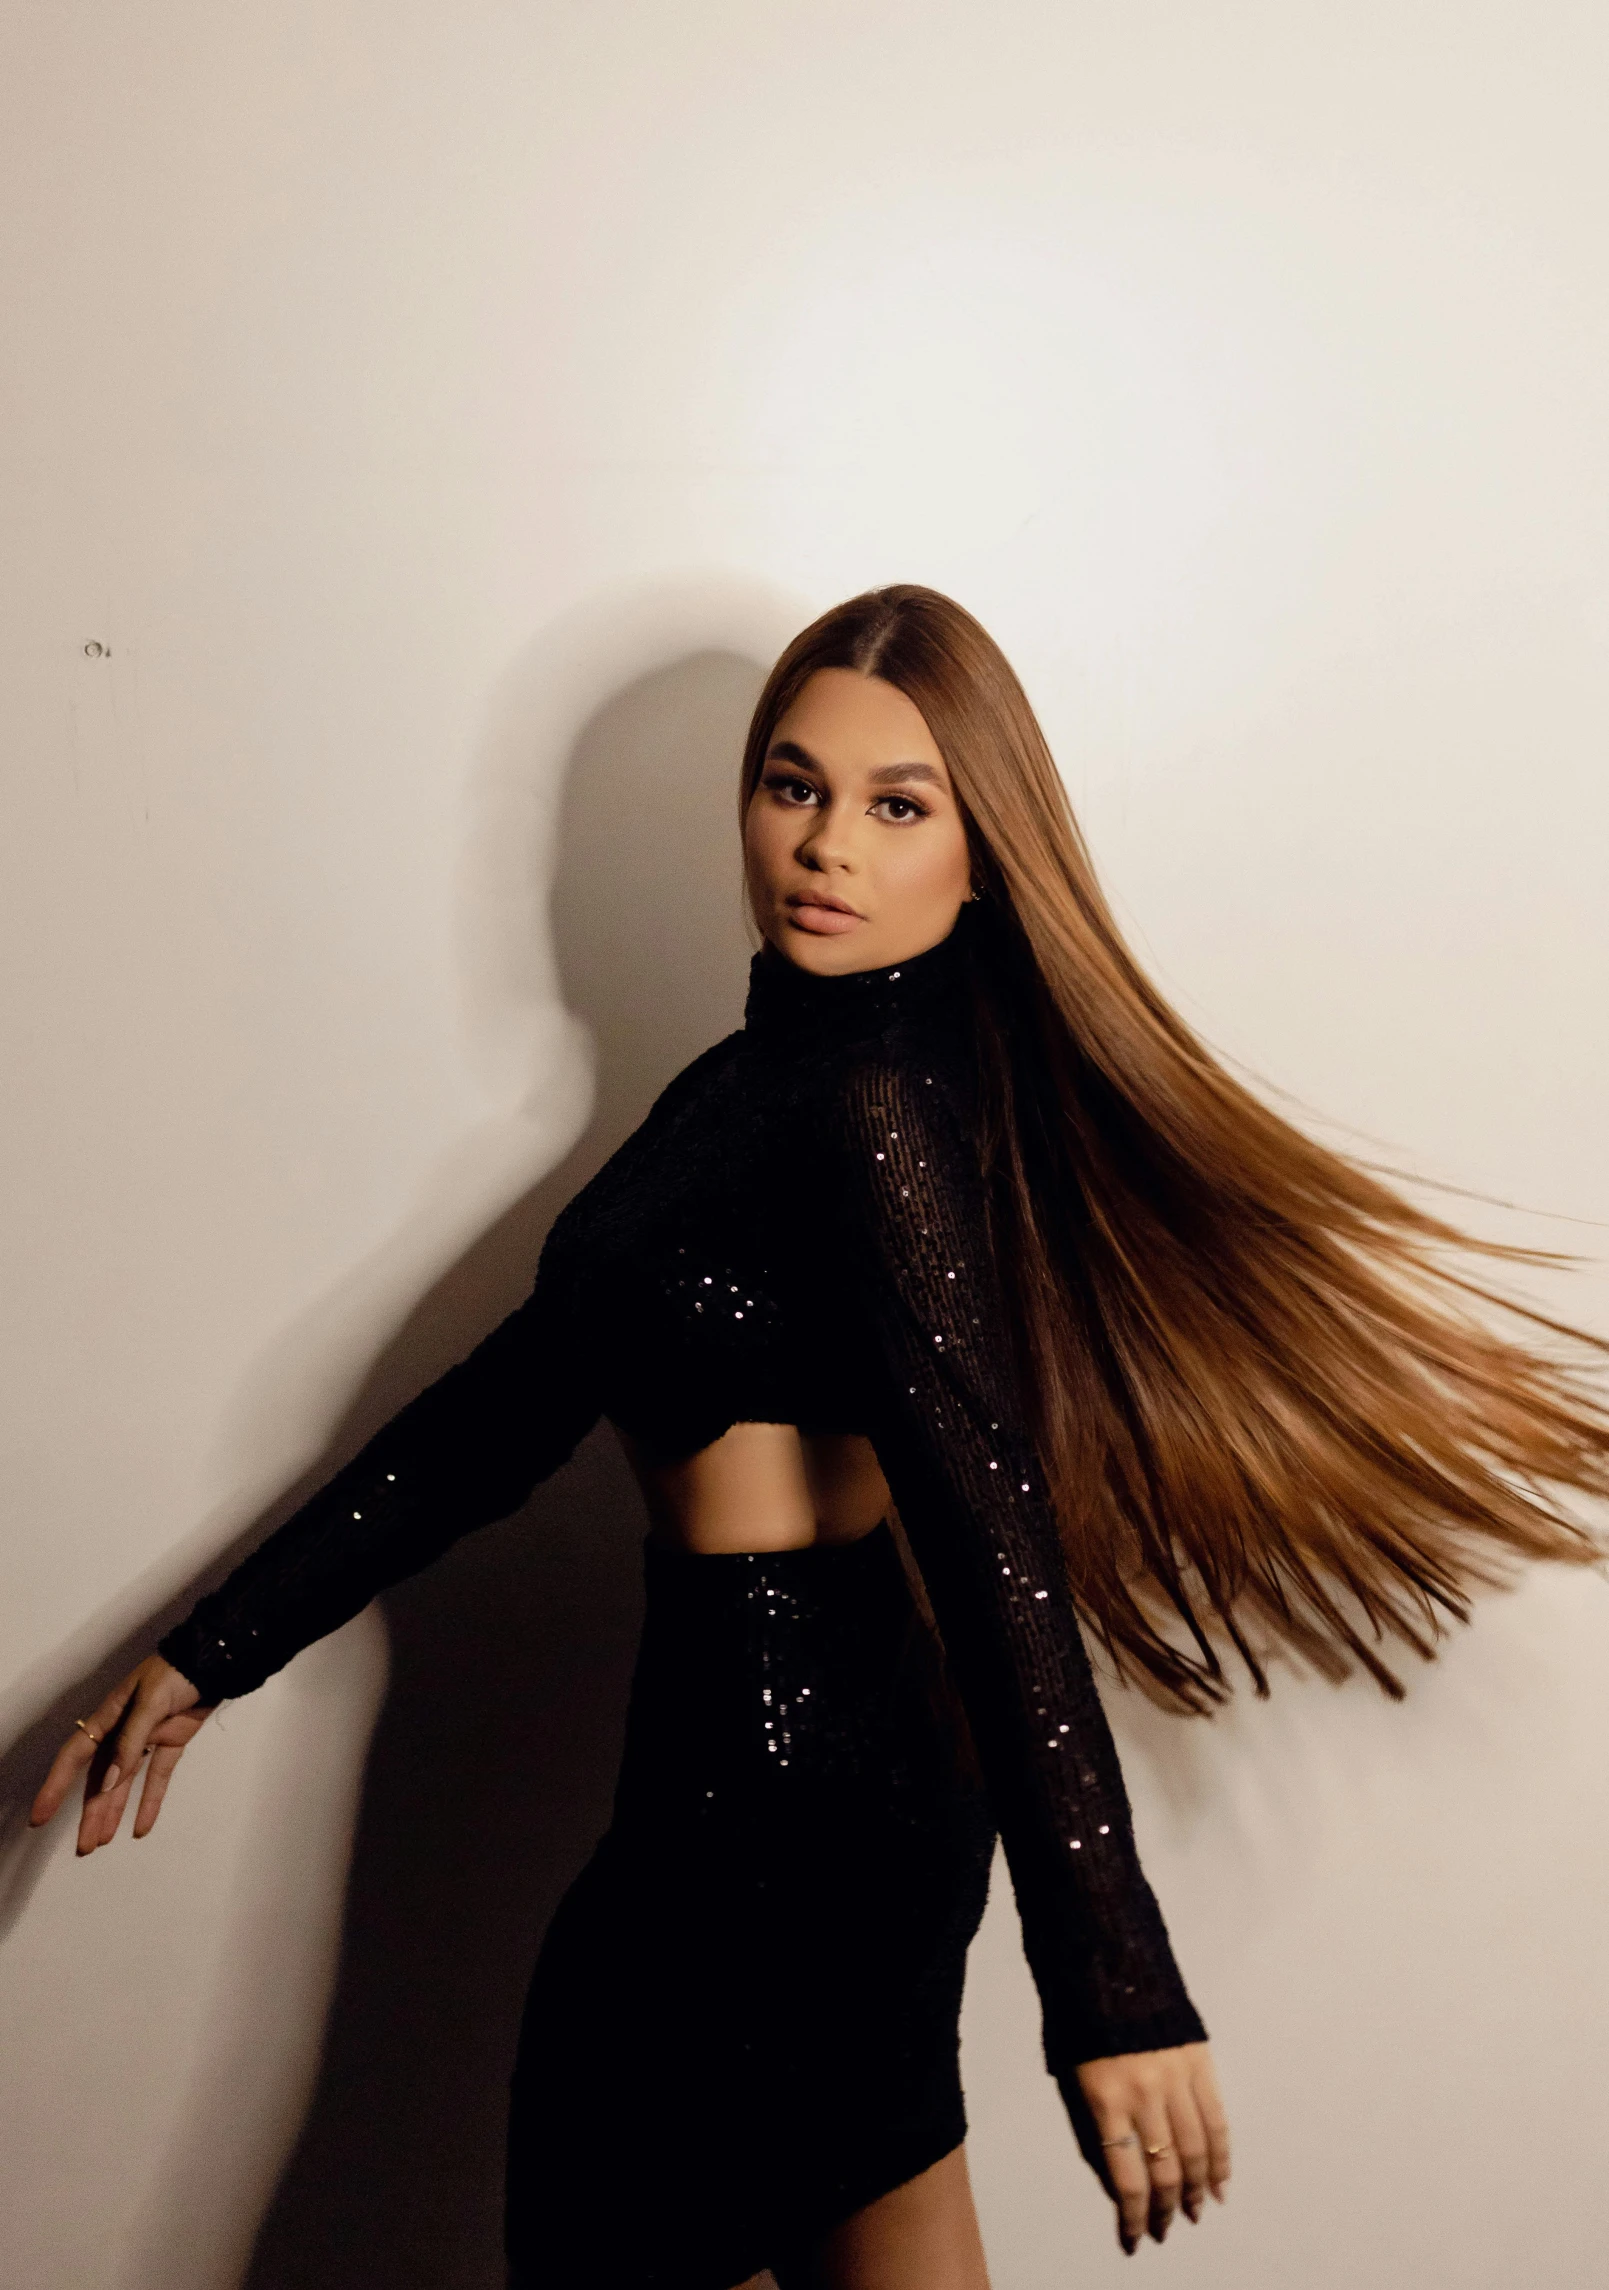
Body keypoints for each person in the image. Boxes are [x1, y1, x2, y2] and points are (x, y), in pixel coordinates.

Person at [31, 586, 1609, 2290]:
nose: (826, 849)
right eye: (794, 787)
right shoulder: (769, 1084)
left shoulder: (862, 1105)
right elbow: (511, 1405)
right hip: (848, 1795)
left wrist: (1116, 1988)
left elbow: (994, 1529)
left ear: (983, 853)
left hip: (756, 1813)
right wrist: (215, 1644)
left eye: (897, 805)